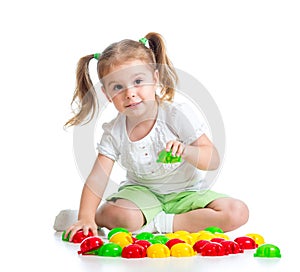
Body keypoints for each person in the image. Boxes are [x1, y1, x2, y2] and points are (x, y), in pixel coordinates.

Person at [61, 32, 249, 241]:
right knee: (115, 214)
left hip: (187, 194)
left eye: (138, 81)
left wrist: (187, 151)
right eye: (118, 87)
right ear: (107, 94)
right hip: (140, 197)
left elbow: (212, 160)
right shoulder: (114, 132)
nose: (130, 93)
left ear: (155, 79)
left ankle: (158, 224)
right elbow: (97, 178)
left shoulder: (177, 115)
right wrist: (86, 216)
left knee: (237, 212)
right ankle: (84, 219)